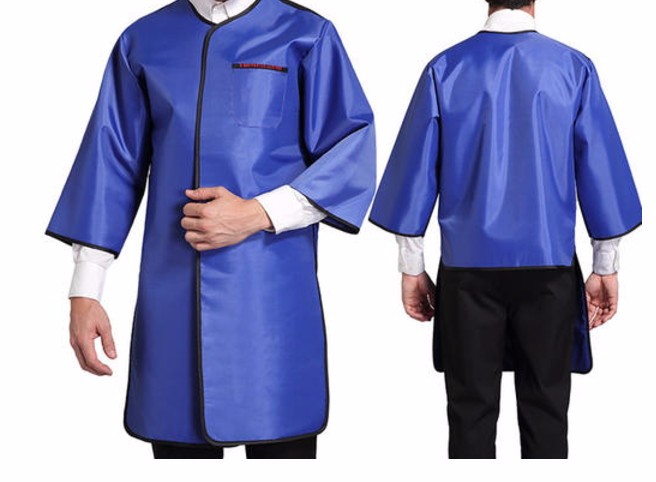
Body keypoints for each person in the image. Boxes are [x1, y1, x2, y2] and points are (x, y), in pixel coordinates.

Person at [45, 0, 376, 459]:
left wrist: (257, 213)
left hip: (271, 307)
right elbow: (110, 162)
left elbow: (350, 149)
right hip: (173, 299)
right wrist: (85, 291)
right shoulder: (141, 41)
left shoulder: (306, 33)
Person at [369, 0, 641, 459]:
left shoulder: (445, 68)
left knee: (469, 417)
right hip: (549, 266)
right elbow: (600, 168)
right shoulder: (572, 68)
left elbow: (415, 171)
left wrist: (411, 267)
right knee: (547, 415)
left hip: (466, 270)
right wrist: (605, 265)